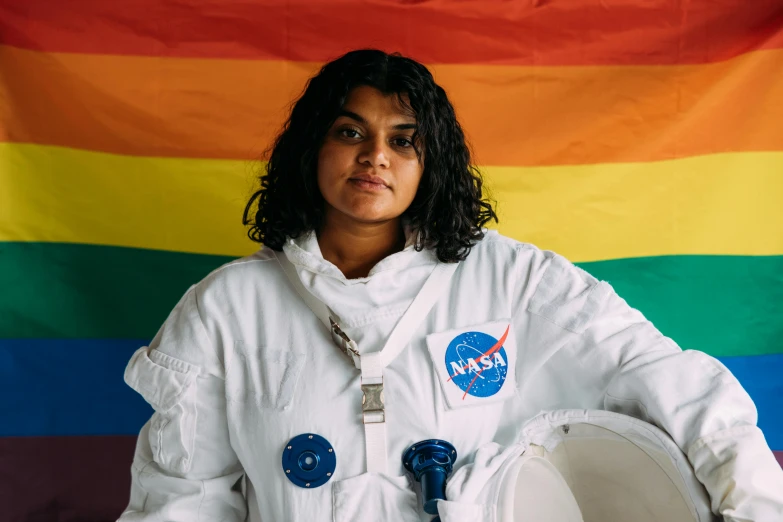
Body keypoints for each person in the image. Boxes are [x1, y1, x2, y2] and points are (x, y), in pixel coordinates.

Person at [118, 49, 783, 522]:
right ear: (310, 150)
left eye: (403, 141)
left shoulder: (512, 282)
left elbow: (672, 384)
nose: (374, 155)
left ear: (430, 165)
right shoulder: (228, 308)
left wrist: (753, 504)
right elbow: (181, 499)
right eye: (350, 131)